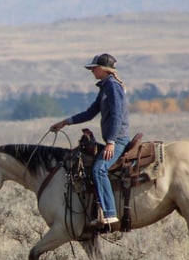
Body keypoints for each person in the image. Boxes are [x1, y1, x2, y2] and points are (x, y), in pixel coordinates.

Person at [49, 53, 130, 225]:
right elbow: (90, 113)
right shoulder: (106, 88)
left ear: (102, 69)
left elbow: (116, 116)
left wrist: (111, 142)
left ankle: (109, 212)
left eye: (94, 68)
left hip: (118, 139)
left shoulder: (113, 87)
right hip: (114, 138)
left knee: (99, 169)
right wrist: (65, 122)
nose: (92, 71)